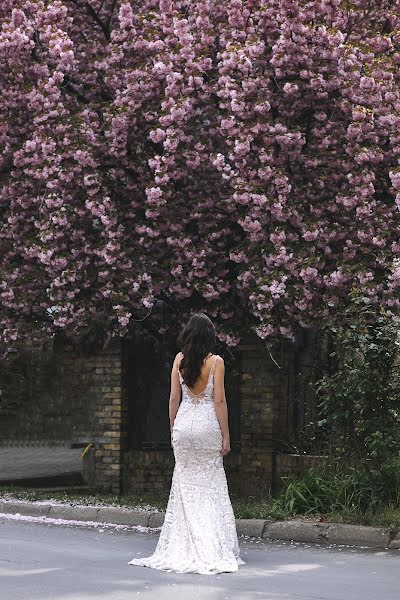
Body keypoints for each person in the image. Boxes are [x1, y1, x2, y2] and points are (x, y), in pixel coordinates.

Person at [128, 312, 245, 574]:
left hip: (184, 424)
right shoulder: (216, 362)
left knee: (184, 484)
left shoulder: (179, 360)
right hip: (206, 426)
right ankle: (210, 546)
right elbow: (219, 401)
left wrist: (173, 429)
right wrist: (226, 436)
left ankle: (184, 544)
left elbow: (173, 399)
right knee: (210, 483)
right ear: (209, 336)